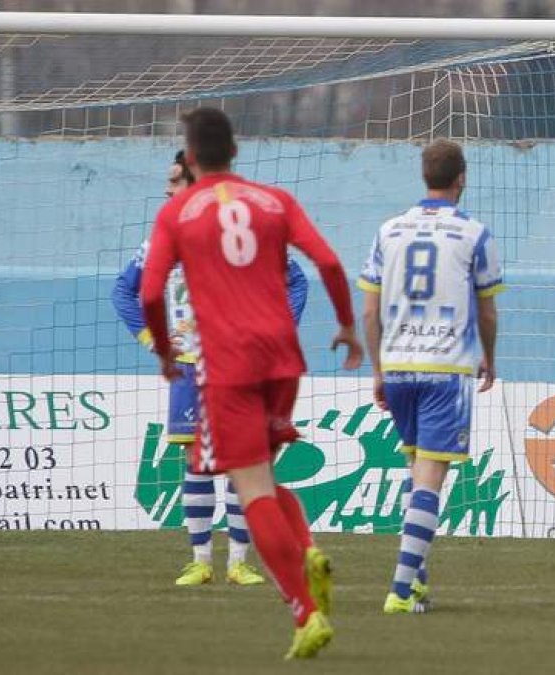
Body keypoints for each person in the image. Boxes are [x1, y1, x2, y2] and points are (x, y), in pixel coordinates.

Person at [141, 107, 363, 658]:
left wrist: (167, 353)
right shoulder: (275, 201)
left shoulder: (177, 213)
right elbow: (330, 262)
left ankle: (306, 614)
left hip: (229, 365)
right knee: (262, 476)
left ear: (190, 158)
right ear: (235, 150)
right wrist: (346, 324)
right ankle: (307, 549)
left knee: (251, 489)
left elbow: (148, 295)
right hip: (283, 360)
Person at [113, 150, 310, 587]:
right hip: (189, 367)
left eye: (175, 182)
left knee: (245, 460)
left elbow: (297, 280)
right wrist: (152, 340)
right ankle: (201, 560)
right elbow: (123, 292)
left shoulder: (242, 230)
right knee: (196, 461)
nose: (167, 191)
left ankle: (239, 563)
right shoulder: (164, 236)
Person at [358, 138, 502, 614]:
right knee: (430, 481)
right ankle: (400, 590)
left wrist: (379, 368)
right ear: (462, 177)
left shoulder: (389, 230)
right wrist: (490, 357)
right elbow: (487, 312)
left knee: (416, 472)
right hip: (446, 367)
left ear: (425, 176)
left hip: (398, 365)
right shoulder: (474, 234)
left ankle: (416, 584)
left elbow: (371, 309)